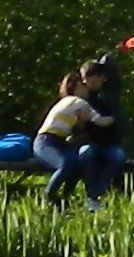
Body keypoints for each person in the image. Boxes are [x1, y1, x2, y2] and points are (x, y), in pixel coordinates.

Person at [32, 68, 121, 206]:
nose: (87, 90)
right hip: (46, 142)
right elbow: (102, 121)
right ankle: (48, 196)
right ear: (77, 87)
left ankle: (64, 200)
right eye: (83, 87)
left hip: (58, 142)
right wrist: (117, 117)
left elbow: (75, 129)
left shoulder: (67, 102)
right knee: (65, 165)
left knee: (77, 164)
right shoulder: (78, 102)